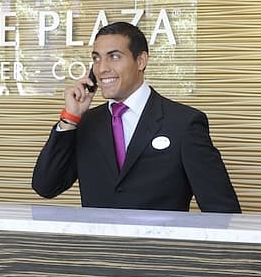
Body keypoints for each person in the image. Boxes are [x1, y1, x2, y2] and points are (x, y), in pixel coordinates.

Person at [32, 21, 241, 213]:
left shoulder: (183, 123)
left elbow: (222, 211)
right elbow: (46, 186)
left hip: (159, 243)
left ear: (140, 61)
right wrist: (70, 119)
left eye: (114, 56)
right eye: (96, 58)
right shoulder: (85, 123)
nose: (102, 68)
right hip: (99, 243)